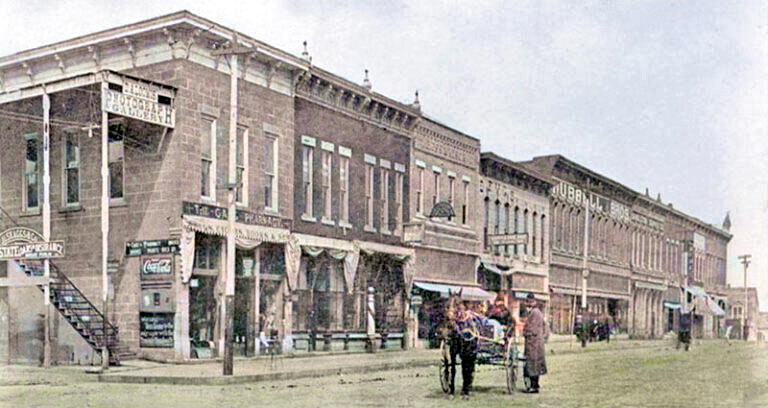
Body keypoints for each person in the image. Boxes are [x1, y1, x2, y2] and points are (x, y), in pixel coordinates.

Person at [522, 293, 548, 393]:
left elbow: (533, 328)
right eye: (527, 302)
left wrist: (526, 332)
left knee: (533, 364)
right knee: (533, 364)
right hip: (533, 342)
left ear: (533, 302)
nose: (527, 304)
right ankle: (534, 385)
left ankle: (534, 386)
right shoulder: (534, 312)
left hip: (534, 343)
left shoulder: (535, 313)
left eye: (529, 302)